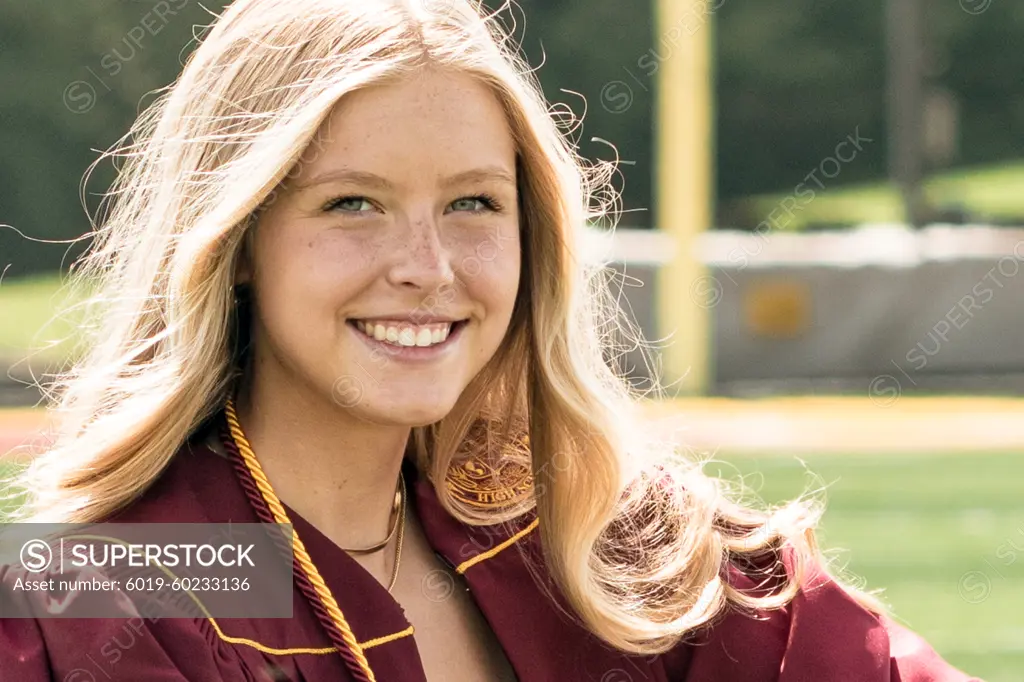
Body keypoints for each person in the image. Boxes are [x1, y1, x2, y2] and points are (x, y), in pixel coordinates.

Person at [0, 0, 979, 680]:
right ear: (239, 239)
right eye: (354, 205)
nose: (428, 265)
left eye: (473, 202)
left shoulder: (596, 529)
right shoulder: (115, 587)